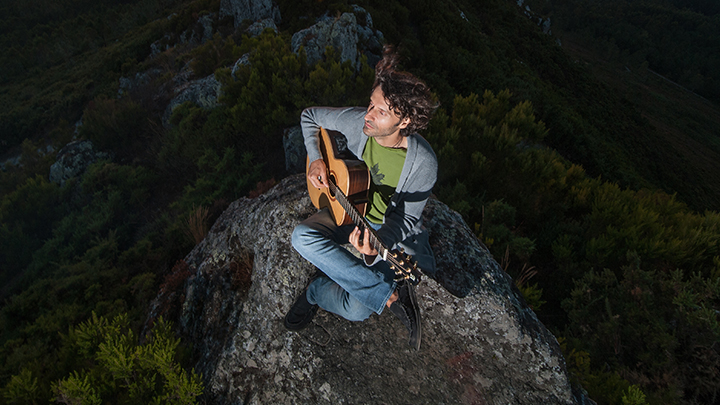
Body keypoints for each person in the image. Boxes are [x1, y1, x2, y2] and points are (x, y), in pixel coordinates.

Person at [284, 47, 438, 351]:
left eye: (381, 112)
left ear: (405, 121)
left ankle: (316, 290)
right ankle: (392, 297)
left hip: (383, 231)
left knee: (356, 310)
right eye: (371, 104)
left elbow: (405, 219)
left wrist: (372, 248)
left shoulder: (423, 163)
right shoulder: (359, 123)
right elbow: (310, 116)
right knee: (301, 236)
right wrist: (316, 159)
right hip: (348, 206)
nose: (368, 116)